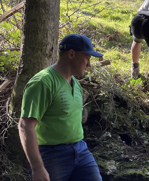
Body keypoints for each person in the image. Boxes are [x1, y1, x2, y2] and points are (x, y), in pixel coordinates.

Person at [18, 34, 103, 181]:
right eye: (87, 58)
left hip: (81, 150)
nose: (89, 64)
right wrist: (37, 168)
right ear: (71, 54)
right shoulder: (43, 82)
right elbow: (25, 126)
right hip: (51, 155)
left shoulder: (76, 84)